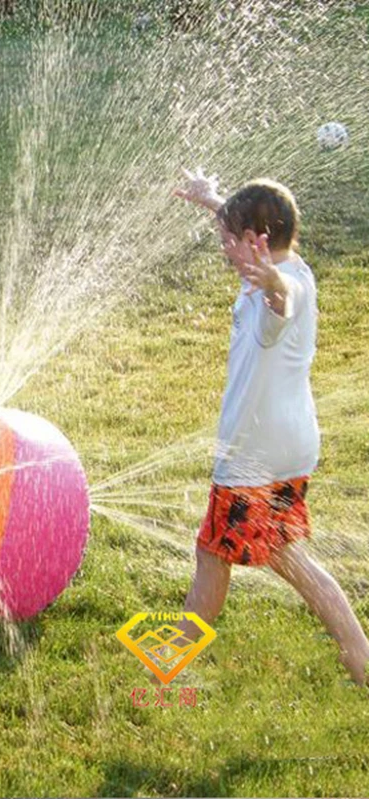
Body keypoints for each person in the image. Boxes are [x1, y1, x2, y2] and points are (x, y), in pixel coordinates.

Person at [174, 168, 368, 686]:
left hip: (252, 457)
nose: (223, 249)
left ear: (256, 243)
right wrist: (213, 200)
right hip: (291, 448)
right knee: (276, 557)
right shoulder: (296, 266)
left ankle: (166, 670)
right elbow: (274, 268)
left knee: (217, 558)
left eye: (228, 240)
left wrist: (271, 286)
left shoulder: (277, 291)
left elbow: (283, 302)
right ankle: (360, 657)